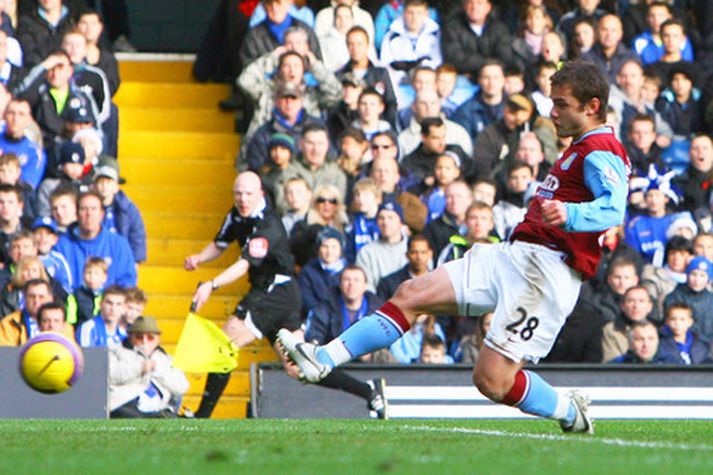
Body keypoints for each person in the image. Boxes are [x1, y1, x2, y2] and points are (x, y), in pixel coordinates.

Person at [279, 60, 631, 434]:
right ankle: (323, 358)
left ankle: (568, 411)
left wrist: (570, 213)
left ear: (592, 106)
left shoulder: (601, 150)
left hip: (546, 275)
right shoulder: (580, 147)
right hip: (516, 255)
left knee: (492, 379)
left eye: (561, 104)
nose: (552, 112)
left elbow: (614, 207)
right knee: (410, 293)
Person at [186, 172, 303, 418]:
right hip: (275, 293)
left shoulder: (267, 225)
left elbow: (243, 265)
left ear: (261, 193)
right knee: (299, 366)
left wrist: (211, 284)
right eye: (238, 193)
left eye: (248, 194)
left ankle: (202, 416)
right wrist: (200, 257)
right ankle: (368, 393)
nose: (242, 199)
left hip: (275, 291)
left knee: (224, 343)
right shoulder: (236, 213)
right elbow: (220, 243)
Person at [109, 316, 189, 419]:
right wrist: (140, 368)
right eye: (139, 337)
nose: (144, 341)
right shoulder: (116, 352)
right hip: (125, 405)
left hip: (158, 409)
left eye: (150, 338)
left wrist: (159, 371)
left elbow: (182, 387)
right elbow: (112, 375)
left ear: (158, 339)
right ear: (130, 337)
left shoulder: (165, 358)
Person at [55, 191, 137, 290]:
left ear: (102, 214)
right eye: (83, 209)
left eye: (94, 209)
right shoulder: (61, 245)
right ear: (76, 214)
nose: (89, 214)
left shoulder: (118, 245)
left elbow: (127, 282)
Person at [93, 163, 146, 264]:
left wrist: (135, 260)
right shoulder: (89, 207)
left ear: (116, 186)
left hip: (120, 258)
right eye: (100, 182)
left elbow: (136, 234)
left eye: (109, 182)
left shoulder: (128, 208)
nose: (104, 186)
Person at [0, 278, 64, 345]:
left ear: (50, 298)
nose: (36, 301)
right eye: (32, 296)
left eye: (41, 297)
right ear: (24, 298)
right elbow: (5, 353)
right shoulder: (9, 324)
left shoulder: (62, 324)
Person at [377, 234, 431, 301]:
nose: (419, 257)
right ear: (407, 255)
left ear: (430, 254)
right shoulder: (388, 284)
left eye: (423, 252)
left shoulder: (438, 282)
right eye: (414, 252)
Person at [66, 256, 106, 327]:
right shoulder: (75, 296)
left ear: (104, 277)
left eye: (96, 273)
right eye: (88, 273)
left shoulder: (106, 296)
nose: (92, 276)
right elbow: (70, 321)